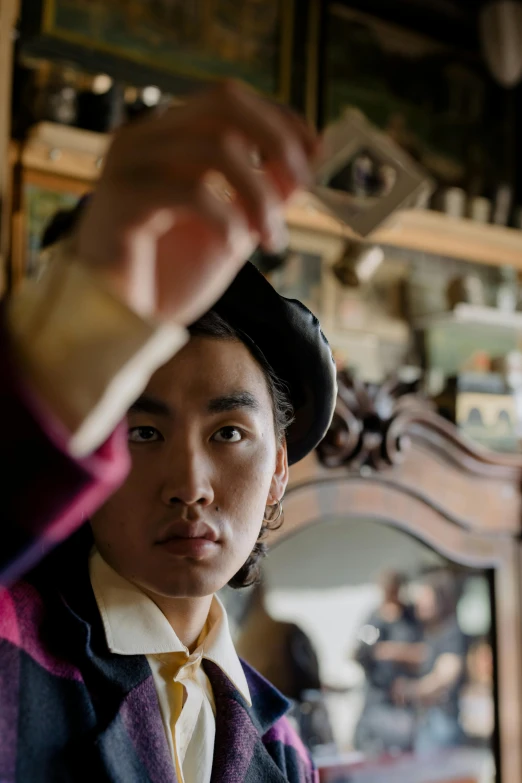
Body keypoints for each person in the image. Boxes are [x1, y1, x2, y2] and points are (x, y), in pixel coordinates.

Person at [0, 82, 337, 782]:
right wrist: (87, 316)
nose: (190, 485)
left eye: (229, 433)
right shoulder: (11, 648)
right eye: (143, 433)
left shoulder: (285, 748)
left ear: (279, 466)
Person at [392, 572, 467, 754]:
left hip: (441, 721)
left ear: (440, 600)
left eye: (425, 596)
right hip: (426, 719)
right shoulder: (430, 632)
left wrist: (411, 690)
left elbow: (444, 677)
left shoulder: (451, 632)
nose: (419, 602)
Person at [354, 570, 425, 755]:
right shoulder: (373, 618)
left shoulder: (410, 618)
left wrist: (394, 652)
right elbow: (360, 651)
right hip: (377, 696)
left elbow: (425, 653)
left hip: (404, 700)